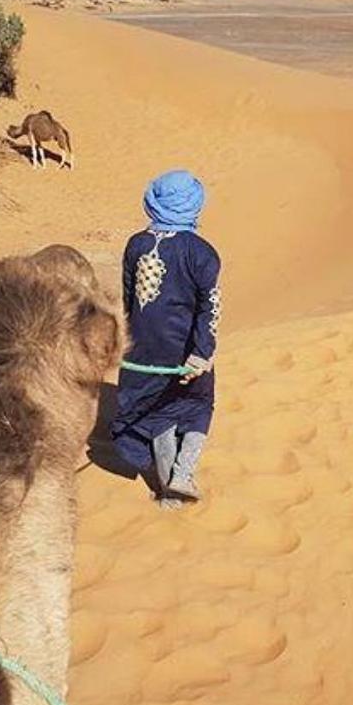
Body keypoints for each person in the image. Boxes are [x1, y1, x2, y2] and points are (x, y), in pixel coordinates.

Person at [110, 170, 221, 505]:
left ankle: (165, 492)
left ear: (154, 202)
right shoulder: (202, 253)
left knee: (158, 415)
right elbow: (211, 308)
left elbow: (129, 299)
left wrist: (129, 341)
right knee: (199, 406)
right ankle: (182, 475)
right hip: (187, 349)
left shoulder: (136, 245)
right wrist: (201, 353)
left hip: (143, 349)